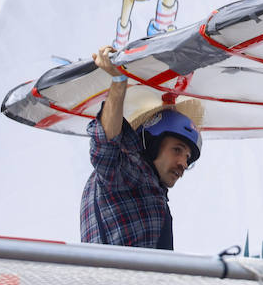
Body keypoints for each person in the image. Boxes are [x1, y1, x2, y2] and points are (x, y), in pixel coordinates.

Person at [81, 46, 202, 250]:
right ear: (152, 143)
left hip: (140, 281)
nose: (183, 163)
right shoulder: (126, 171)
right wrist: (118, 83)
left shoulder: (148, 187)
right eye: (178, 150)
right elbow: (105, 146)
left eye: (188, 158)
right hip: (120, 281)